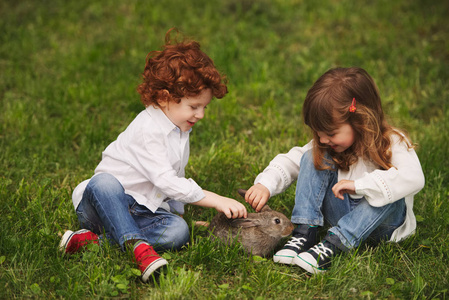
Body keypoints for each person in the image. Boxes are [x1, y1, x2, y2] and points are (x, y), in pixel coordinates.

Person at [59, 28, 247, 283]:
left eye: (205, 107)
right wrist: (215, 199)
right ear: (164, 98)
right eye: (194, 107)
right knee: (104, 182)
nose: (201, 115)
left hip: (143, 211)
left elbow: (176, 173)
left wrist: (177, 213)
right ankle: (138, 247)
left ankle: (91, 242)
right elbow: (165, 180)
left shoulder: (180, 128)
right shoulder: (148, 128)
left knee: (178, 232)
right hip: (103, 206)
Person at [244, 67, 425, 274]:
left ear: (360, 120)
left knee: (388, 194)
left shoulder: (392, 142)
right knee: (312, 156)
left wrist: (359, 186)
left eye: (330, 132)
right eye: (318, 132)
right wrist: (265, 183)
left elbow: (414, 178)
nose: (322, 139)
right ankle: (305, 232)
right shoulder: (327, 144)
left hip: (381, 226)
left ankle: (334, 244)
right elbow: (293, 160)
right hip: (340, 214)